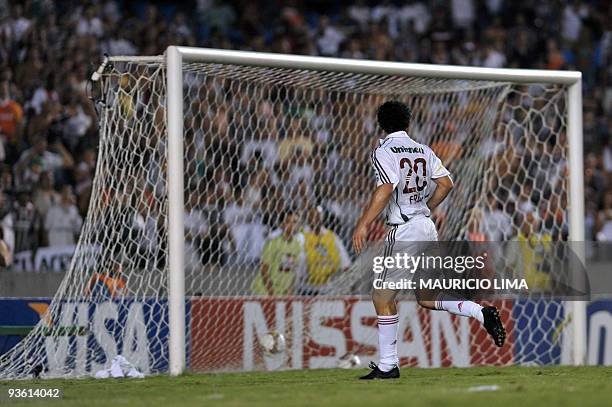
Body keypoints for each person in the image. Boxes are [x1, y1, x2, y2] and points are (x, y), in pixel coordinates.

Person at [352, 101, 506, 380]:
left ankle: (388, 364)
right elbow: (447, 183)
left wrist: (363, 224)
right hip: (426, 226)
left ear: (380, 123)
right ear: (408, 123)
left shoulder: (383, 150)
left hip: (405, 230)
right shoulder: (424, 149)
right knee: (428, 297)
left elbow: (386, 188)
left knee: (382, 295)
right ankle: (481, 313)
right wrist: (426, 209)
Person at [251, 210, 303, 296]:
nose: (292, 225)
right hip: (264, 292)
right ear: (281, 225)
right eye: (288, 222)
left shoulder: (297, 245)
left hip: (283, 293)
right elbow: (264, 271)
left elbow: (292, 271)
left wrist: (289, 292)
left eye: (295, 222)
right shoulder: (272, 243)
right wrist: (272, 295)